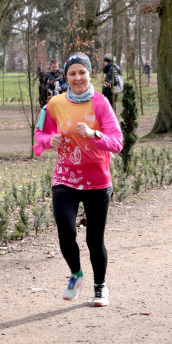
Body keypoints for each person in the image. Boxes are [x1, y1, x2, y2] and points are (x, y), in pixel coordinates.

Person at [34, 52, 123, 307]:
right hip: (65, 178)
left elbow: (117, 142)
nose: (77, 78)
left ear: (89, 74)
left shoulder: (101, 103)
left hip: (97, 180)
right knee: (66, 231)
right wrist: (49, 140)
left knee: (94, 240)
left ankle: (100, 287)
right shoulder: (54, 104)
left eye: (82, 72)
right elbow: (40, 134)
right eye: (72, 73)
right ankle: (76, 274)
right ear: (65, 76)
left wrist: (95, 134)